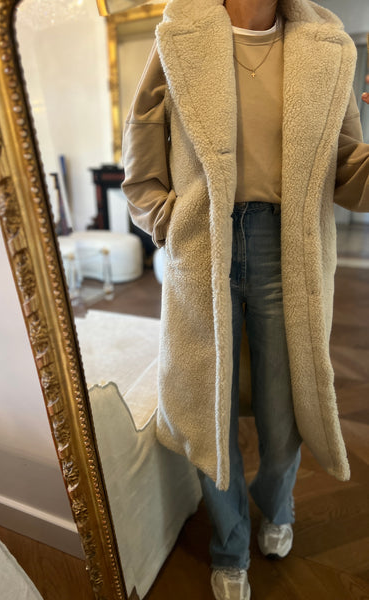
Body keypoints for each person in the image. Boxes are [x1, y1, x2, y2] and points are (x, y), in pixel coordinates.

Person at [121, 0, 369, 598]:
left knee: (287, 410)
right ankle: (229, 543)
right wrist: (168, 220)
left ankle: (276, 505)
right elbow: (141, 147)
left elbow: (347, 174)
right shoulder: (178, 34)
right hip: (204, 243)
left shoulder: (327, 47)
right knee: (210, 407)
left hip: (290, 250)